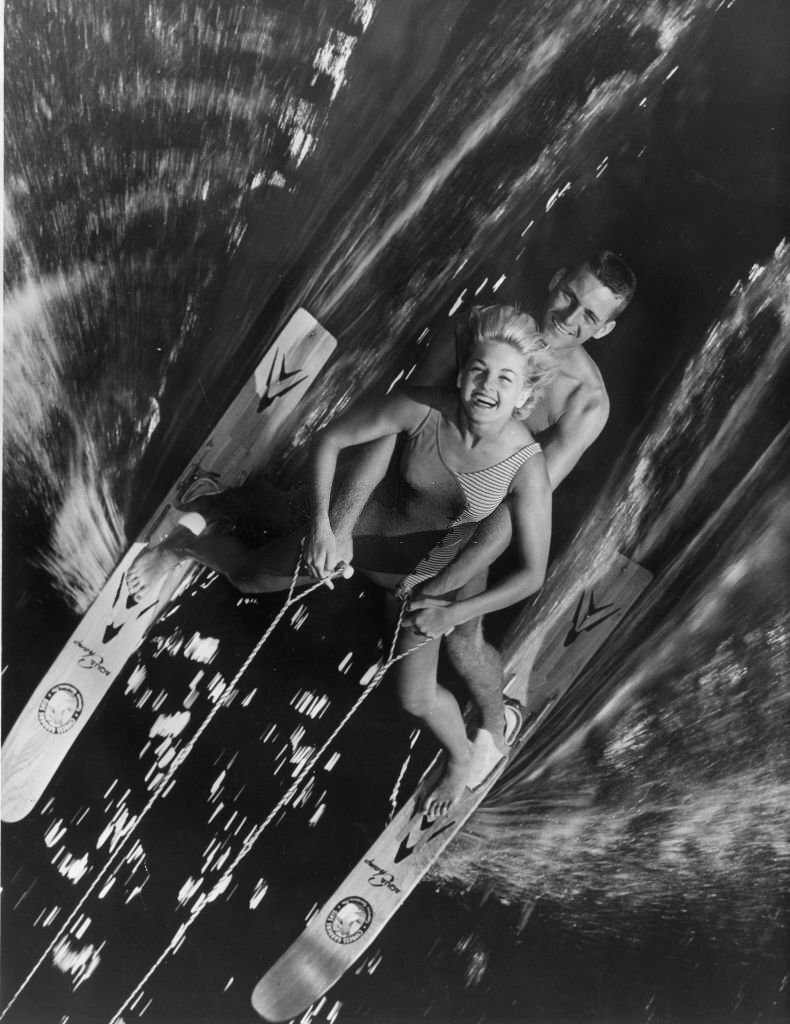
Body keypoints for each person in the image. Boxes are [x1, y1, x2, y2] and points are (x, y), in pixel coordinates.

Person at [128, 306, 555, 820]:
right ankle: (185, 544)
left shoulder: (526, 468)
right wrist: (326, 530)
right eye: (480, 370)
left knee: (416, 699)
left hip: (426, 583)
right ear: (463, 374)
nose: (488, 386)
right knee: (249, 577)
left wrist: (450, 613)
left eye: (505, 379)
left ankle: (463, 756)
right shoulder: (419, 409)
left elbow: (532, 574)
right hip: (363, 538)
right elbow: (330, 440)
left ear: (524, 396)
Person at [317, 250, 637, 758]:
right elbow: (395, 424)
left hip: (477, 520)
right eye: (568, 296)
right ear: (555, 276)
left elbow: (515, 510)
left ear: (603, 331)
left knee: (463, 639)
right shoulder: (475, 329)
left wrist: (442, 588)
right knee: (301, 537)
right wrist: (340, 522)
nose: (569, 318)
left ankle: (495, 721)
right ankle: (195, 532)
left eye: (590, 317)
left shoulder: (586, 400)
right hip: (415, 476)